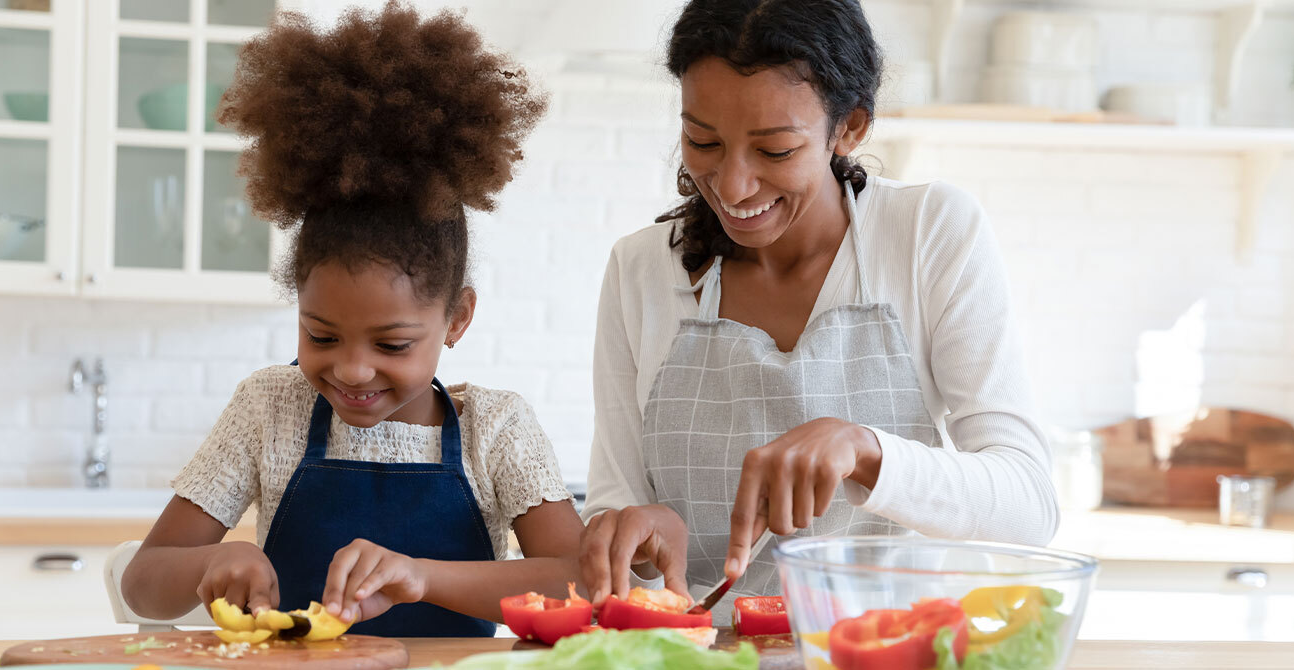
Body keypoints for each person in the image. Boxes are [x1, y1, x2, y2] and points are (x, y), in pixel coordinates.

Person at [578, 0, 1059, 619]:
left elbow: (1028, 504)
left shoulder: (927, 233)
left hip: (888, 648)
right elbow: (613, 499)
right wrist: (630, 532)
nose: (732, 186)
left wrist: (866, 451)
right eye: (703, 141)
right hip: (703, 655)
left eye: (774, 150)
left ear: (850, 128)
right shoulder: (641, 269)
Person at [121, 1, 580, 637]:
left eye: (392, 343)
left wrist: (425, 576)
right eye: (321, 335)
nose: (352, 368)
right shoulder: (268, 409)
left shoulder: (496, 430)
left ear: (457, 318)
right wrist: (215, 560)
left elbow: (578, 586)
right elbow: (143, 584)